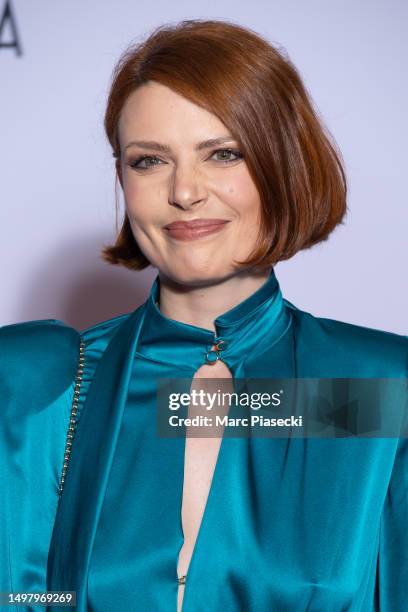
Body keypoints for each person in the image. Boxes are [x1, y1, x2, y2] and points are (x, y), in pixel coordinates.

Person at [1, 18, 407, 612]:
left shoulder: (378, 388)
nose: (185, 192)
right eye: (149, 161)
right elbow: (23, 596)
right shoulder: (43, 387)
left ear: (282, 166)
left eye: (223, 154)